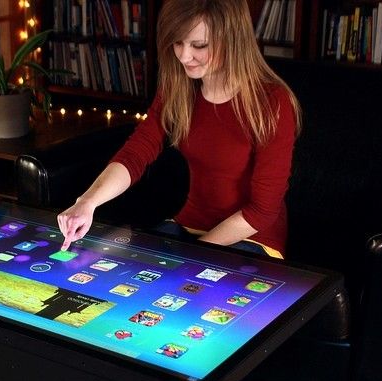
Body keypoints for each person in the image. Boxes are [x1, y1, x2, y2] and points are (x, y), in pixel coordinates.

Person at [57, 0, 302, 259]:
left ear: (232, 39)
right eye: (177, 42)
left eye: (199, 45)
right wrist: (88, 202)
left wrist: (191, 255)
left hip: (252, 237)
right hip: (188, 226)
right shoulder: (179, 86)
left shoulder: (273, 102)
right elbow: (137, 152)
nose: (184, 56)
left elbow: (262, 212)